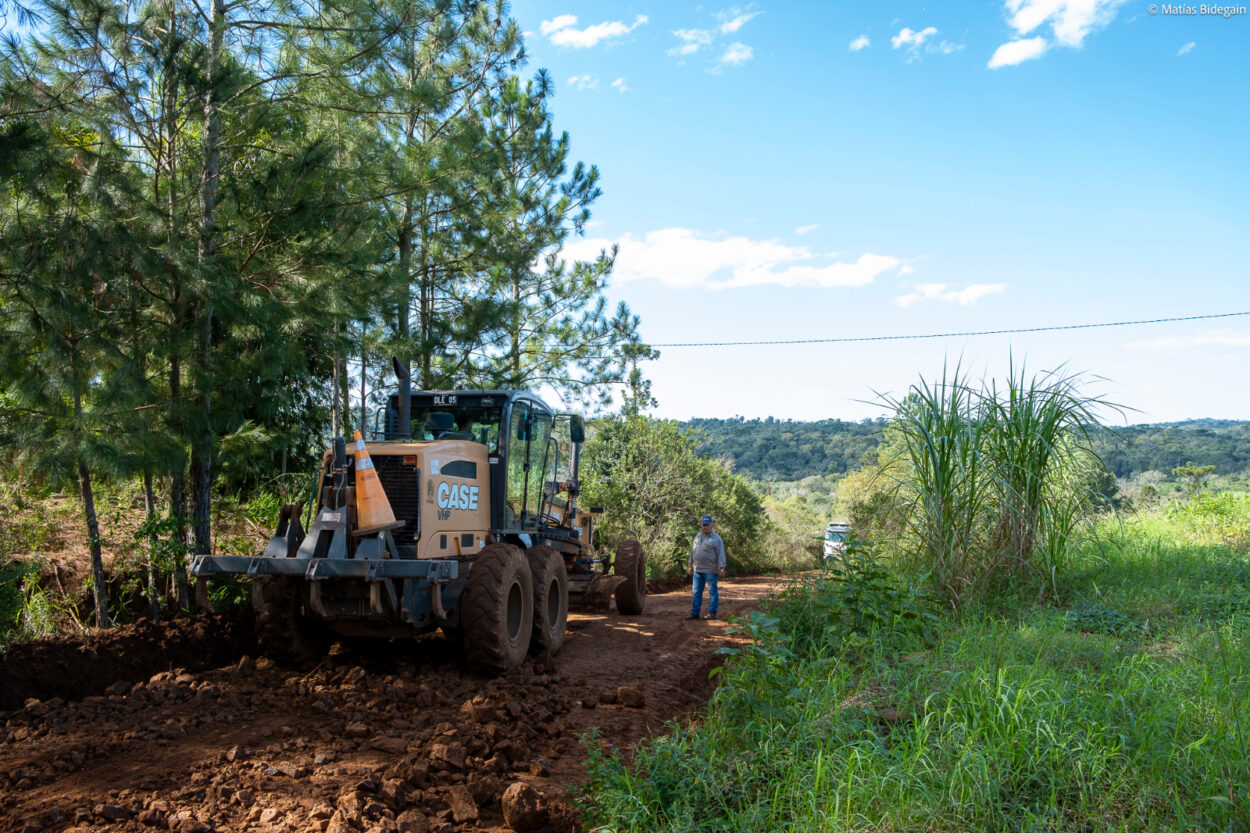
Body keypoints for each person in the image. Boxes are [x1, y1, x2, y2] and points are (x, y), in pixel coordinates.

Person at [687, 515, 726, 620]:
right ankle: (695, 614)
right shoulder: (697, 537)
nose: (705, 527)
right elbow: (693, 551)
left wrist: (721, 568)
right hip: (697, 570)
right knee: (696, 592)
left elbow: (720, 553)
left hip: (711, 571)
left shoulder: (716, 539)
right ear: (702, 526)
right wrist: (690, 564)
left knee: (712, 591)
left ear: (711, 525)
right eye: (704, 525)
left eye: (707, 525)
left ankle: (712, 613)